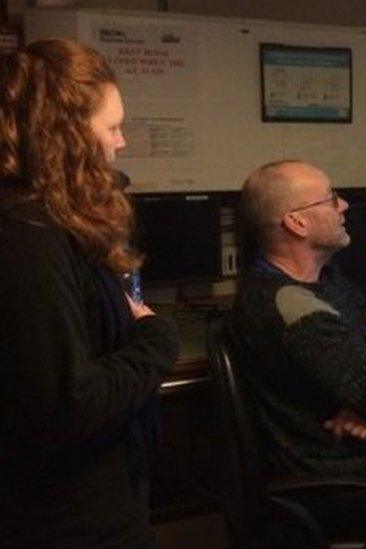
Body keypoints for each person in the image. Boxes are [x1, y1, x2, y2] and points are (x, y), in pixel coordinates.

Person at [0, 40, 180, 547]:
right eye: (112, 127)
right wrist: (155, 340)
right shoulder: (26, 231)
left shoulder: (51, 218)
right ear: (66, 135)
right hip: (67, 522)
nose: (121, 142)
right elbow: (67, 408)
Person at [228, 160, 366, 478]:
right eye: (331, 199)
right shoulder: (292, 306)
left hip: (364, 451)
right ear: (297, 223)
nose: (344, 205)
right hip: (343, 471)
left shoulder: (321, 278)